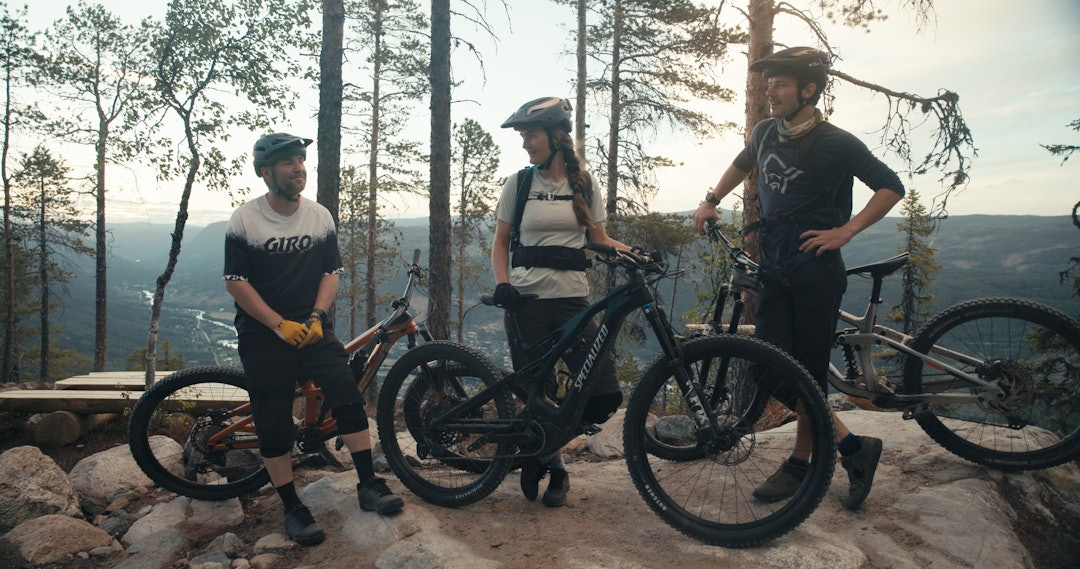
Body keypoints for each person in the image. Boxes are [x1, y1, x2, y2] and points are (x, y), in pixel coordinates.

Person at [692, 47, 905, 511]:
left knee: (805, 374)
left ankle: (800, 463)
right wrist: (711, 198)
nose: (770, 92)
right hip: (773, 265)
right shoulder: (767, 131)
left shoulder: (836, 141)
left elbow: (891, 186)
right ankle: (852, 446)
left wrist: (846, 231)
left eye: (780, 85)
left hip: (814, 270)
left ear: (808, 89)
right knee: (769, 367)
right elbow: (743, 162)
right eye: (768, 85)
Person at [223, 132, 404, 546]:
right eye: (287, 162)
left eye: (301, 160)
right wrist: (276, 324)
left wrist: (318, 316)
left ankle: (368, 485)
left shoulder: (319, 216)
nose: (298, 168)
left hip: (312, 327)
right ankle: (291, 506)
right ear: (266, 172)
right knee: (272, 418)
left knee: (347, 395)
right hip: (263, 332)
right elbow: (236, 283)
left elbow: (330, 272)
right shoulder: (245, 219)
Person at [491, 97, 628, 508]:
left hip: (573, 303)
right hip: (526, 302)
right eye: (523, 136)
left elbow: (600, 240)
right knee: (539, 393)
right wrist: (503, 284)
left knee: (602, 392)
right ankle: (554, 465)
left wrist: (634, 253)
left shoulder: (583, 182)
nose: (525, 143)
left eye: (530, 135)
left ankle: (541, 451)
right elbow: (500, 243)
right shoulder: (519, 184)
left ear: (554, 135)